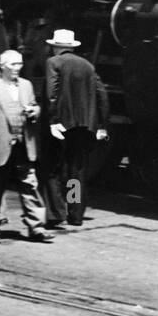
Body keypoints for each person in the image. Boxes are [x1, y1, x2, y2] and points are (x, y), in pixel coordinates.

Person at [0, 51, 52, 243]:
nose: (18, 68)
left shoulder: (26, 85)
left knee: (30, 184)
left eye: (20, 64)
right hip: (2, 146)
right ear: (2, 66)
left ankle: (37, 226)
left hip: (23, 144)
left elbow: (35, 105)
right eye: (13, 64)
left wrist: (34, 111)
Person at [44, 28, 109, 228]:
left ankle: (57, 213)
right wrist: (102, 125)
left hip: (62, 125)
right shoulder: (88, 66)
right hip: (85, 126)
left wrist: (53, 120)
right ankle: (76, 214)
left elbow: (51, 93)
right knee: (76, 171)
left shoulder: (54, 62)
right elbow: (102, 95)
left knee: (52, 168)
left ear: (56, 47)